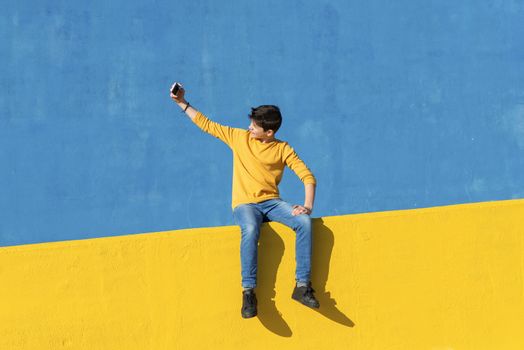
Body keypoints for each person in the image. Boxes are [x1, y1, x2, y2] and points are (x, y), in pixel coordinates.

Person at [170, 82, 320, 319]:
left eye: (254, 126)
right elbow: (207, 125)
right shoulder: (239, 138)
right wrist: (181, 102)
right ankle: (248, 291)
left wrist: (307, 206)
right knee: (250, 228)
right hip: (245, 203)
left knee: (303, 222)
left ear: (269, 132)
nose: (249, 128)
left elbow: (307, 176)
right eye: (250, 123)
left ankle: (302, 286)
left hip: (271, 202)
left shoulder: (283, 149)